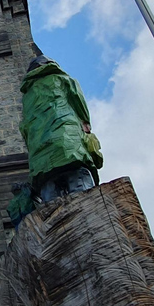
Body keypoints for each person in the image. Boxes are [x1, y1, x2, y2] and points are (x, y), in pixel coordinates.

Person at [19, 55, 103, 203]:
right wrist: (85, 123)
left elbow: (24, 127)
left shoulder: (27, 96)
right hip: (69, 148)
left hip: (41, 160)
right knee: (84, 198)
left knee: (52, 210)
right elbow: (78, 102)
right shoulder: (63, 79)